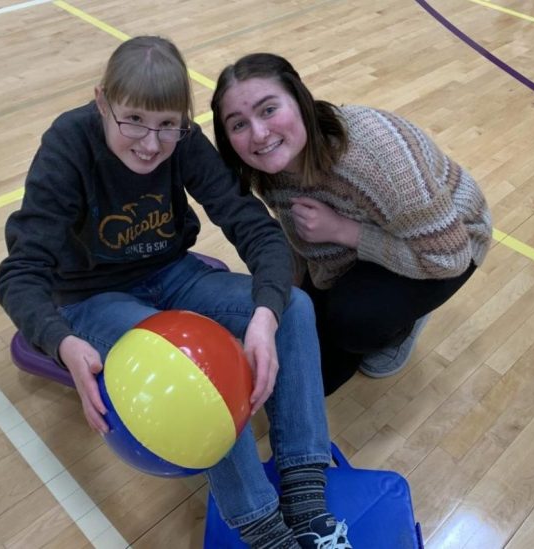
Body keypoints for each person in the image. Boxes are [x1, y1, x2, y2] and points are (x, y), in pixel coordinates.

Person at [0, 37, 352, 549]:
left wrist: (265, 314)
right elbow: (20, 272)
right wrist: (61, 341)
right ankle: (262, 528)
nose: (150, 142)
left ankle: (305, 497)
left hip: (173, 272)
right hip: (92, 295)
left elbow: (253, 226)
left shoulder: (182, 139)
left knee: (293, 306)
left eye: (167, 125)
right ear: (102, 102)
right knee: (188, 369)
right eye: (133, 120)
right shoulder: (69, 144)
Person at [211, 53, 493, 396]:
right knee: (317, 376)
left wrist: (342, 230)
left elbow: (450, 257)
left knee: (354, 325)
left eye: (269, 109)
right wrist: (287, 305)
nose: (258, 134)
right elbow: (297, 241)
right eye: (238, 124)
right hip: (351, 248)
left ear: (300, 101)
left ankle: (406, 321)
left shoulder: (374, 155)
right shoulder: (266, 167)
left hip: (447, 241)